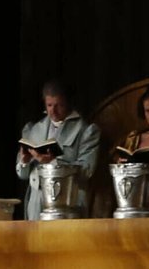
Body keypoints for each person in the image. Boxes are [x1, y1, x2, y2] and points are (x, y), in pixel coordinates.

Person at [14, 78, 103, 216]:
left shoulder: (86, 131)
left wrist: (52, 163)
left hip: (67, 201)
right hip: (36, 203)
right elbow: (22, 174)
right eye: (49, 105)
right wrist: (24, 162)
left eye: (59, 105)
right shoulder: (34, 129)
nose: (53, 111)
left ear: (68, 103)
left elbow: (87, 170)